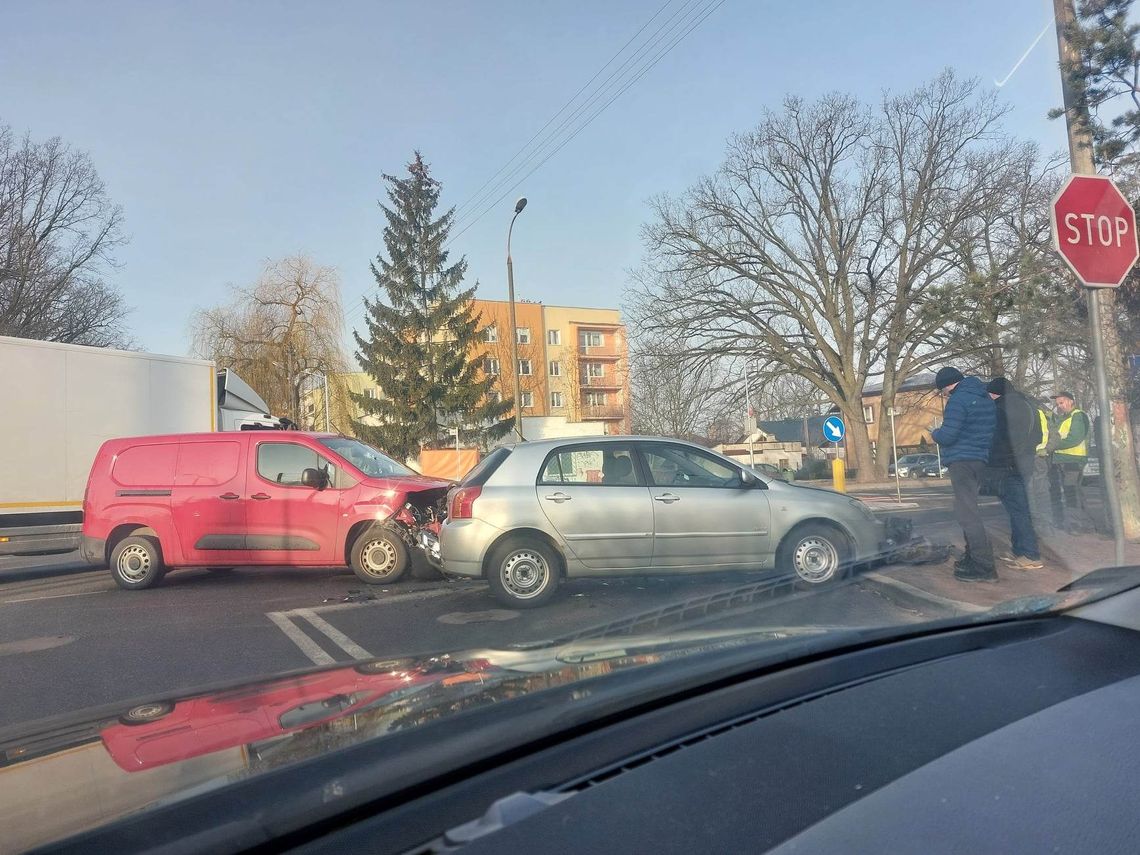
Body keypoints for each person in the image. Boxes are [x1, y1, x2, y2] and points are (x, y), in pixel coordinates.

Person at [931, 366, 997, 581]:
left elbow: (949, 436)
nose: (943, 394)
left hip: (962, 461)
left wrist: (935, 433)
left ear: (947, 386)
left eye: (942, 390)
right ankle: (972, 558)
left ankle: (983, 567)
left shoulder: (958, 400)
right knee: (967, 510)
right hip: (980, 459)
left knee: (967, 514)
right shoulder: (984, 397)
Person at [986, 378, 1042, 570]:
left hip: (1008, 465)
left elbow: (996, 439)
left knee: (1018, 511)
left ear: (995, 393)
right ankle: (1019, 550)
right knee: (1019, 508)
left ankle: (1030, 554)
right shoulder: (1029, 406)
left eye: (989, 394)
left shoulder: (1000, 408)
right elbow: (1039, 436)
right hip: (1026, 463)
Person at [1046, 391, 1090, 530]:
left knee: (1072, 492)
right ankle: (1085, 523)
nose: (1059, 406)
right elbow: (1056, 427)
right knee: (1073, 491)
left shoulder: (1078, 416)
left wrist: (1052, 446)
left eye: (1062, 402)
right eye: (1058, 404)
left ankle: (1076, 524)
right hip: (1063, 460)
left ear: (1071, 401)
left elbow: (1075, 438)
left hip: (1073, 460)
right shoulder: (1065, 418)